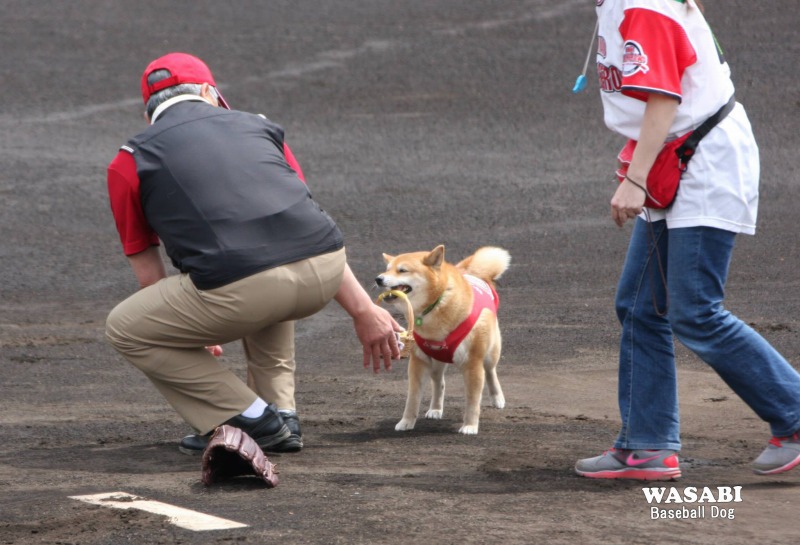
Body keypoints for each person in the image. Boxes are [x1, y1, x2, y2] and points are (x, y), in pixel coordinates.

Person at [105, 52, 402, 455]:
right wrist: (364, 311)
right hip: (327, 268)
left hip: (244, 287)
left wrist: (184, 333)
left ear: (148, 116)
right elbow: (301, 220)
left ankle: (249, 418)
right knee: (265, 252)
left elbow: (149, 277)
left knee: (125, 326)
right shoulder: (260, 126)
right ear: (209, 93)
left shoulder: (129, 159)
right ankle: (282, 413)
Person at [575, 0, 800, 480]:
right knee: (640, 305)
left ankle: (795, 415)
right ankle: (647, 444)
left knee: (695, 310)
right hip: (676, 156)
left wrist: (635, 179)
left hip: (706, 160)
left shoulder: (643, 4)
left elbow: (664, 98)